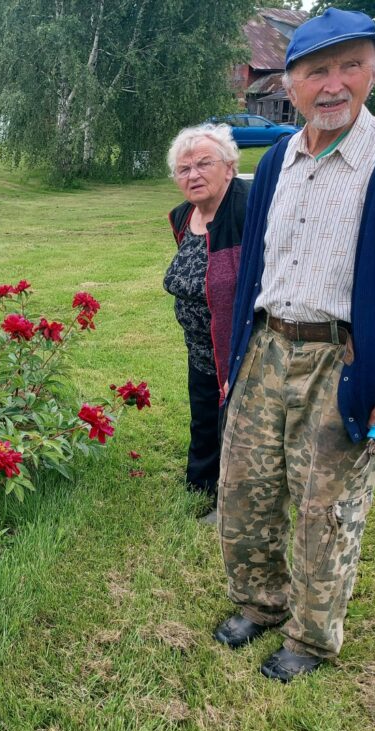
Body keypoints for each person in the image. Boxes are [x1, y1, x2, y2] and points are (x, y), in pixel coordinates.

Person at [213, 8, 375, 682]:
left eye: (351, 65)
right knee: (246, 489)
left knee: (326, 509)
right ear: (292, 80)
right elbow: (256, 265)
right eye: (317, 70)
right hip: (265, 348)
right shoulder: (279, 157)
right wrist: (236, 360)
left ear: (373, 69)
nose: (334, 84)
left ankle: (311, 639)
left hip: (344, 362)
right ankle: (260, 602)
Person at [164, 125, 249, 516]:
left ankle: (230, 501)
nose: (193, 174)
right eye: (183, 169)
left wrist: (239, 352)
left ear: (229, 168)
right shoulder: (185, 217)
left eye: (203, 164)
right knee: (204, 416)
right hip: (200, 346)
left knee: (235, 426)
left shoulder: (247, 210)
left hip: (237, 347)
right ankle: (199, 483)